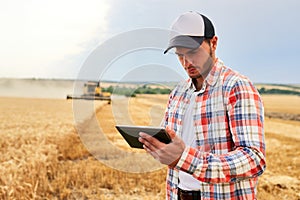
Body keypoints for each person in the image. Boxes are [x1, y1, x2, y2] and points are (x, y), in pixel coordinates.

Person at [139, 11, 266, 200]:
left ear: (213, 43)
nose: (186, 62)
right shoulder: (178, 93)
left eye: (192, 52)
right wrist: (157, 145)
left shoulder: (236, 87)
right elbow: (173, 146)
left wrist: (187, 159)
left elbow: (253, 159)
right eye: (179, 55)